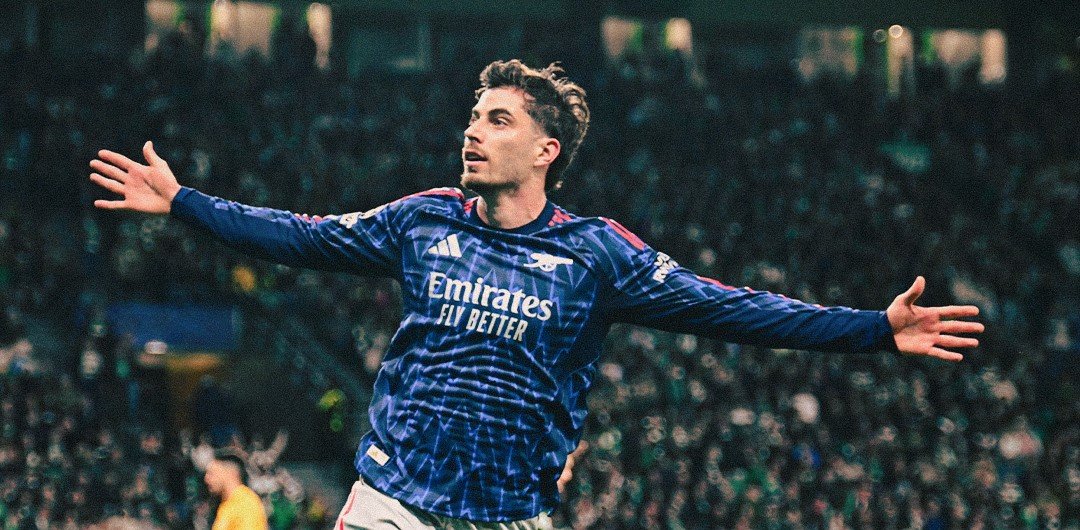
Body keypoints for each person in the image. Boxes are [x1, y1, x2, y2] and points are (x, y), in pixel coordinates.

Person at [89, 60, 983, 529]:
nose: (473, 132)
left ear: (546, 150)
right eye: (473, 117)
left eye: (497, 120)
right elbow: (302, 235)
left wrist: (873, 329)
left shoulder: (597, 255)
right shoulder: (422, 221)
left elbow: (732, 308)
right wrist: (185, 203)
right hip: (393, 500)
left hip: (511, 515)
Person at [203, 449, 269, 530]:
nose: (206, 479)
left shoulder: (245, 503)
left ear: (230, 473)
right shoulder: (226, 505)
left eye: (211, 473)